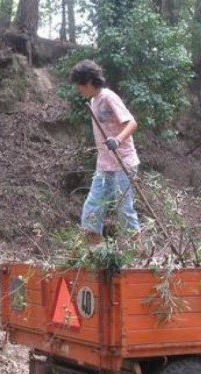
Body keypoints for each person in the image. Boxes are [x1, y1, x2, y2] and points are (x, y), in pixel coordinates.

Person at [71, 59, 140, 244]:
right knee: (92, 208)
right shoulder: (93, 100)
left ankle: (138, 255)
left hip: (123, 162)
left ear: (89, 81)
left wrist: (117, 140)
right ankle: (96, 254)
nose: (79, 89)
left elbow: (132, 123)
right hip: (105, 164)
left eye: (80, 85)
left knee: (124, 209)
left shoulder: (108, 97)